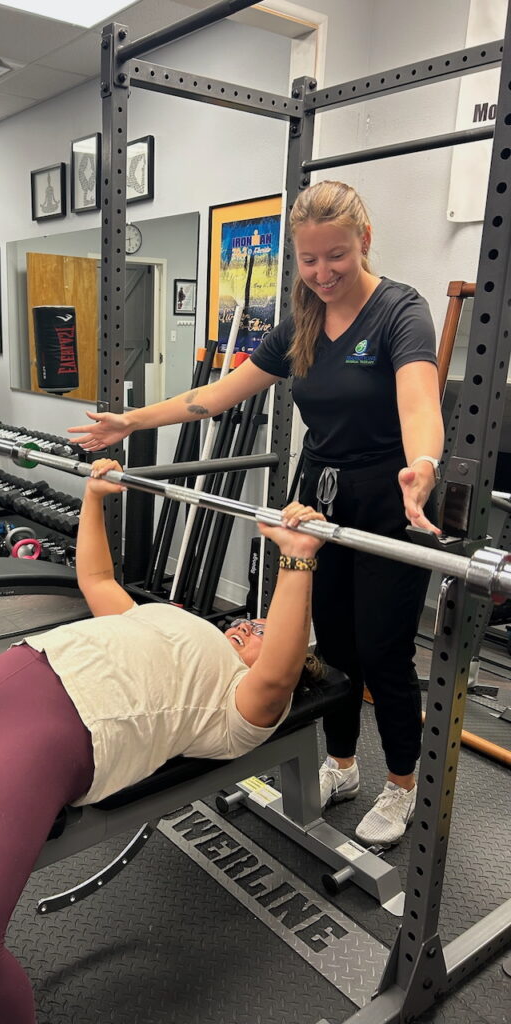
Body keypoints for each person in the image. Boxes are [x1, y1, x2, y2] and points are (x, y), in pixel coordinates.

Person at [0, 459, 325, 1024]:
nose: (251, 627)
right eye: (252, 622)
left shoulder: (242, 704)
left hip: (55, 729)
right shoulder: (174, 621)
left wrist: (296, 556)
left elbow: (277, 674)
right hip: (4, 674)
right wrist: (95, 497)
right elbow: (98, 582)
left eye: (265, 635)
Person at [70, 180, 445, 848]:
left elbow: (420, 402)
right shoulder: (300, 321)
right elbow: (214, 396)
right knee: (326, 643)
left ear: (365, 240)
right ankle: (340, 764)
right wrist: (131, 421)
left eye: (336, 255)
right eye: (309, 259)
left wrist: (424, 466)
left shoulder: (400, 311)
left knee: (383, 649)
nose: (323, 272)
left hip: (391, 497)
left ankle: (402, 783)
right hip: (317, 499)